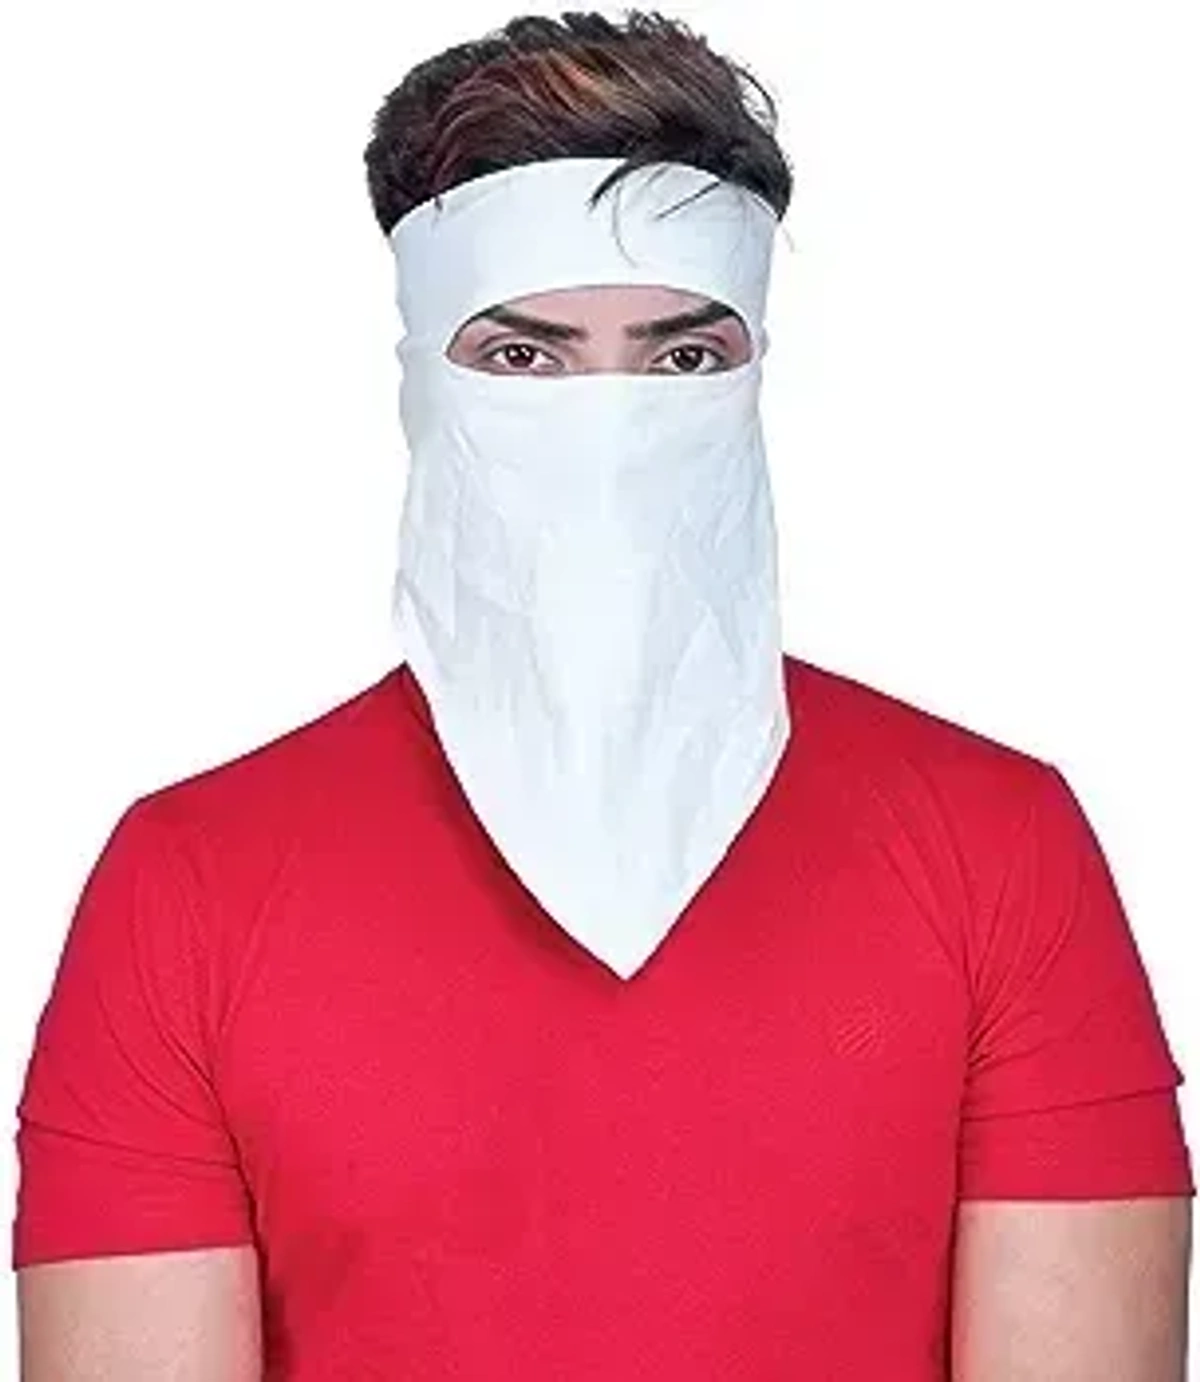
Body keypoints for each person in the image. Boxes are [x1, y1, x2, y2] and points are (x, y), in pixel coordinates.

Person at [11, 11, 1194, 1380]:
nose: (611, 424)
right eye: (525, 357)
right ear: (424, 385)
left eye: (682, 358)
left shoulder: (1000, 849)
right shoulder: (190, 886)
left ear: (753, 377)